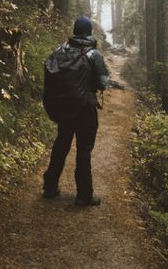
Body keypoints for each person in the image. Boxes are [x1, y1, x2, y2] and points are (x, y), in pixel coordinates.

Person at [42, 16, 109, 206]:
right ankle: (84, 195)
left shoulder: (60, 50)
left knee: (61, 145)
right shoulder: (93, 54)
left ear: (74, 30)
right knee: (84, 150)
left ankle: (49, 187)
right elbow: (104, 83)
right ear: (89, 32)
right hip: (85, 109)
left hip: (65, 107)